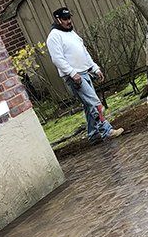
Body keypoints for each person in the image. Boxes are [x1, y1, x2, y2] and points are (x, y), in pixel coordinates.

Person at [45, 7, 124, 144]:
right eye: (65, 19)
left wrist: (94, 67)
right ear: (58, 20)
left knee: (89, 106)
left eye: (69, 18)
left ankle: (93, 135)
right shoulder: (54, 37)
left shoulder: (72, 34)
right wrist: (72, 73)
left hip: (85, 73)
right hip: (74, 77)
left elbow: (84, 52)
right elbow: (57, 59)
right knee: (96, 104)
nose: (69, 21)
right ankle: (107, 131)